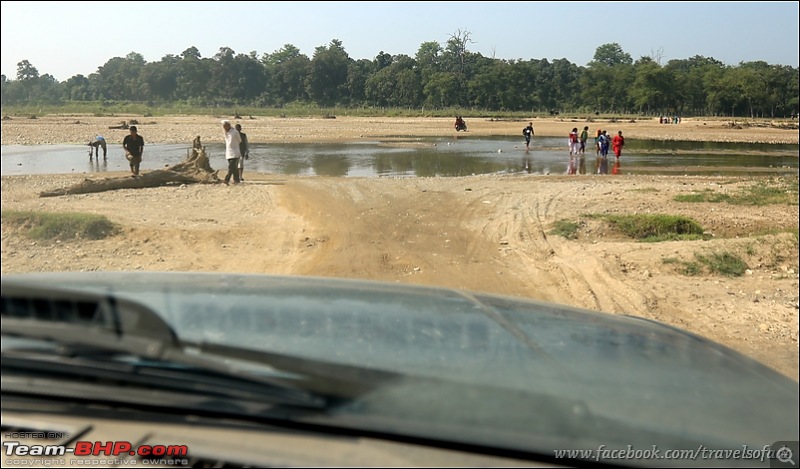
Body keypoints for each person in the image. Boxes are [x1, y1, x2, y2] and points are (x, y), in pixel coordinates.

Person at [222, 120, 242, 184]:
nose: (224, 127)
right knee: (234, 167)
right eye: (223, 126)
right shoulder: (225, 133)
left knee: (231, 167)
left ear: (229, 125)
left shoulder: (235, 132)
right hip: (228, 152)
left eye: (225, 126)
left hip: (235, 152)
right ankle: (236, 180)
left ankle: (226, 180)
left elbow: (239, 140)